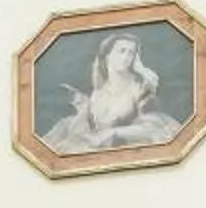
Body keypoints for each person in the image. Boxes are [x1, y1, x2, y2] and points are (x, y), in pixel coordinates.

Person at [41, 30, 181, 154]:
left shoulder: (139, 86)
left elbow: (151, 128)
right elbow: (91, 128)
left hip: (128, 147)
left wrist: (112, 133)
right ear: (107, 55)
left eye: (131, 53)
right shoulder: (98, 91)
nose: (126, 57)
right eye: (122, 51)